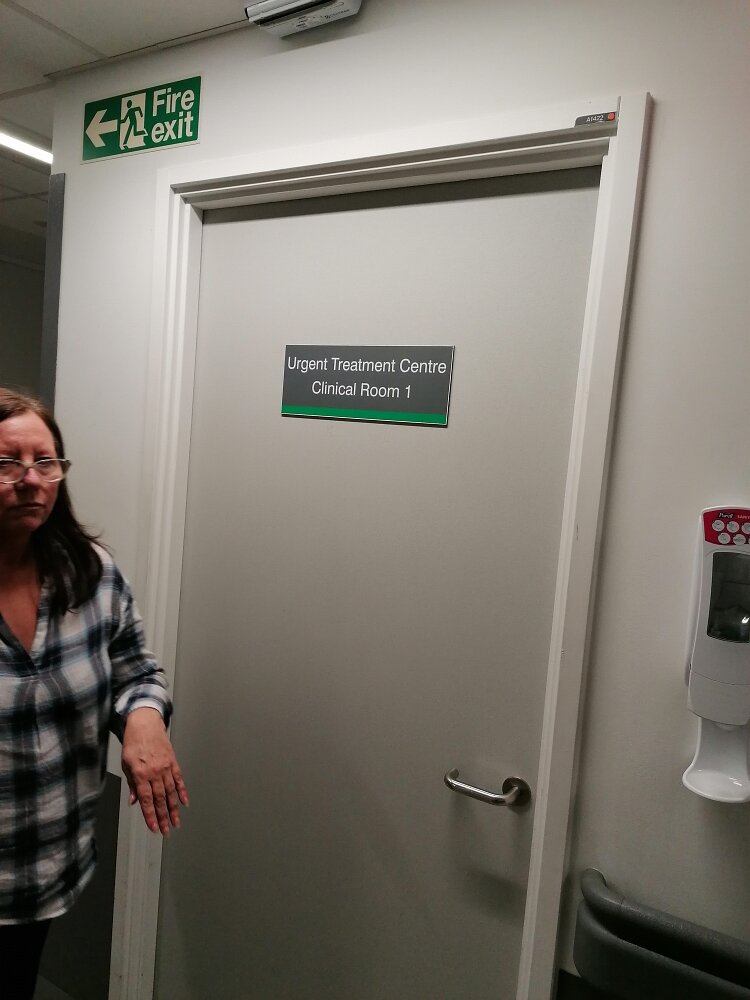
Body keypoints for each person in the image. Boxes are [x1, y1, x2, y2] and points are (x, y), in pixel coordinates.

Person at [0, 388, 188, 998]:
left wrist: (144, 719)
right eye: (7, 463)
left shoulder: (91, 573)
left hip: (44, 869)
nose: (31, 480)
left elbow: (136, 670)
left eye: (45, 461)